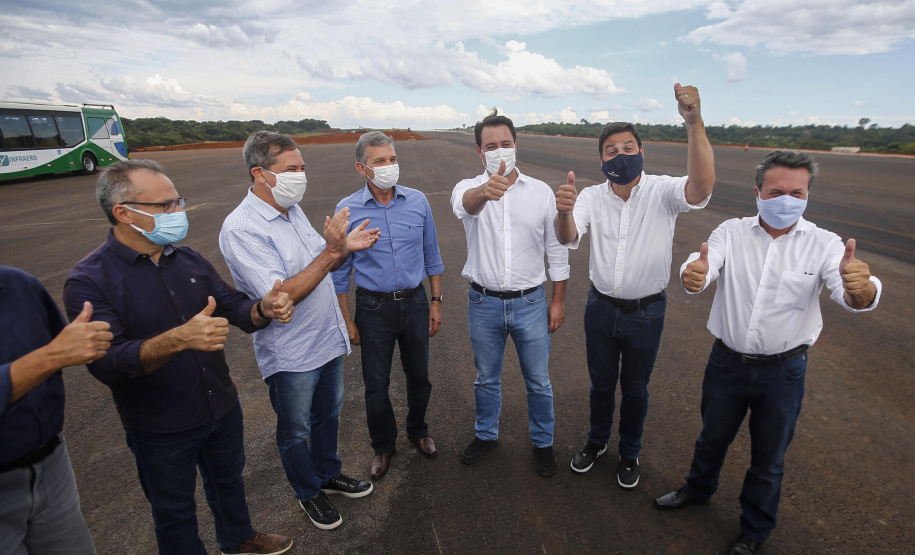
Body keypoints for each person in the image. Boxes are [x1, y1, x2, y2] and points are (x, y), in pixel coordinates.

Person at [654, 150, 882, 555]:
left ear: (808, 195)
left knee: (769, 457)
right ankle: (698, 489)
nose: (786, 200)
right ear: (758, 192)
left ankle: (755, 530)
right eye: (777, 191)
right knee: (711, 438)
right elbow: (706, 263)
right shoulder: (731, 232)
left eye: (797, 192)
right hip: (727, 362)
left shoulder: (825, 245)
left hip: (784, 372)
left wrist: (862, 290)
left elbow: (850, 289)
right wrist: (695, 273)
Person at [63, 160, 294, 555]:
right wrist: (178, 338)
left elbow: (232, 306)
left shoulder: (186, 259)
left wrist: (264, 309)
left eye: (178, 202)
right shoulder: (89, 280)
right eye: (165, 206)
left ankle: (238, 539)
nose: (177, 213)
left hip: (218, 404)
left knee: (228, 482)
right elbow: (107, 364)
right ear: (123, 212)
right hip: (161, 425)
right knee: (174, 511)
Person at [554, 83, 716, 487]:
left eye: (629, 148)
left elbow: (701, 188)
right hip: (600, 306)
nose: (621, 155)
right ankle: (597, 441)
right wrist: (564, 212)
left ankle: (630, 453)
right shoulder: (591, 196)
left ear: (642, 152)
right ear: (601, 159)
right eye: (612, 150)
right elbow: (567, 236)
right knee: (602, 384)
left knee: (637, 388)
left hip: (647, 310)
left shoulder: (662, 192)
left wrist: (693, 123)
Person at [219, 131, 380, 531]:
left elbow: (319, 268)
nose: (300, 175)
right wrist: (332, 252)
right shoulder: (242, 228)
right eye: (291, 169)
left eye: (302, 167)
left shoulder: (292, 210)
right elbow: (280, 294)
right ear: (260, 173)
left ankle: (327, 473)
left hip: (324, 339)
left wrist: (341, 250)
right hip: (291, 353)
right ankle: (308, 492)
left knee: (328, 414)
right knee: (295, 428)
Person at [451, 109, 569, 477]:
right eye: (491, 146)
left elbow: (557, 249)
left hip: (530, 302)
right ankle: (486, 434)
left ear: (515, 145)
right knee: (486, 377)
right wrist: (485, 192)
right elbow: (465, 206)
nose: (500, 151)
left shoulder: (541, 192)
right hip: (483, 302)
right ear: (479, 152)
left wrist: (559, 300)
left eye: (506, 144)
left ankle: (543, 442)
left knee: (538, 380)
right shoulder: (468, 189)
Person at [332, 131, 445, 480]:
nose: (389, 166)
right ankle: (383, 446)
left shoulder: (417, 201)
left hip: (414, 303)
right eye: (379, 161)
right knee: (375, 384)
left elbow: (432, 256)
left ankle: (418, 430)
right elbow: (340, 272)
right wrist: (348, 320)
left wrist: (436, 302)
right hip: (372, 308)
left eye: (392, 159)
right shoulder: (347, 210)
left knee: (420, 376)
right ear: (362, 167)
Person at [1, 266, 111, 555]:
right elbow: (56, 352)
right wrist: (49, 358)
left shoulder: (19, 285)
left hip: (51, 463)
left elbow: (62, 341)